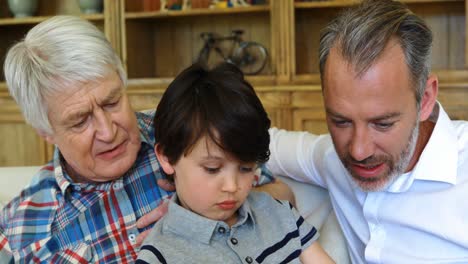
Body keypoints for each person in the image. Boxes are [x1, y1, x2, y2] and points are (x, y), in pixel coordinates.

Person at [0, 16, 290, 263]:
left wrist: (199, 216)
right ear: (45, 131)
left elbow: (284, 196)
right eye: (80, 120)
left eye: (112, 102)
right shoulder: (24, 226)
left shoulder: (184, 128)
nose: (108, 131)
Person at [266, 0, 468, 263]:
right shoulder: (329, 157)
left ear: (425, 99)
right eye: (341, 121)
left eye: (383, 124)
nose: (359, 151)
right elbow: (258, 142)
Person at [136, 62, 334, 264]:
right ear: (167, 157)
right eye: (212, 169)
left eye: (246, 168)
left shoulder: (279, 212)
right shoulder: (159, 256)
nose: (232, 186)